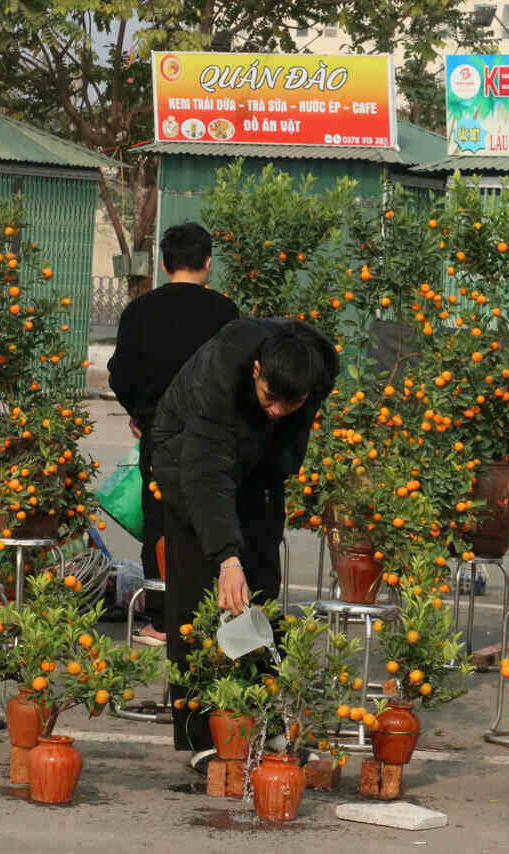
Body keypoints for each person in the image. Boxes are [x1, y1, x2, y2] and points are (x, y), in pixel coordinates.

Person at [151, 318, 338, 770]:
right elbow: (207, 474)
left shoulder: (316, 369)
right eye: (269, 398)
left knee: (261, 591)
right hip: (185, 458)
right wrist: (226, 557)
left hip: (255, 469)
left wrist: (270, 486)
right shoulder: (223, 371)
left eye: (289, 404)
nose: (276, 410)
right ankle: (200, 736)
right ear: (256, 370)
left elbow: (286, 441)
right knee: (200, 595)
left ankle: (264, 724)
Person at [107, 223, 238, 645]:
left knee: (160, 521)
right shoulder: (226, 314)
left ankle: (164, 621)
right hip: (213, 438)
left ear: (164, 264)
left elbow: (120, 373)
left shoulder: (140, 312)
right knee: (211, 516)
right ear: (208, 263)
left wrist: (139, 413)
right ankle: (210, 613)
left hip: (158, 436)